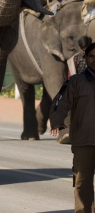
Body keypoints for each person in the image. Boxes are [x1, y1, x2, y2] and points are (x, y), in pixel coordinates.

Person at [50, 42, 95, 212]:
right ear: (85, 58)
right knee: (83, 182)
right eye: (92, 56)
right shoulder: (75, 81)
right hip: (83, 141)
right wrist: (57, 120)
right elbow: (59, 102)